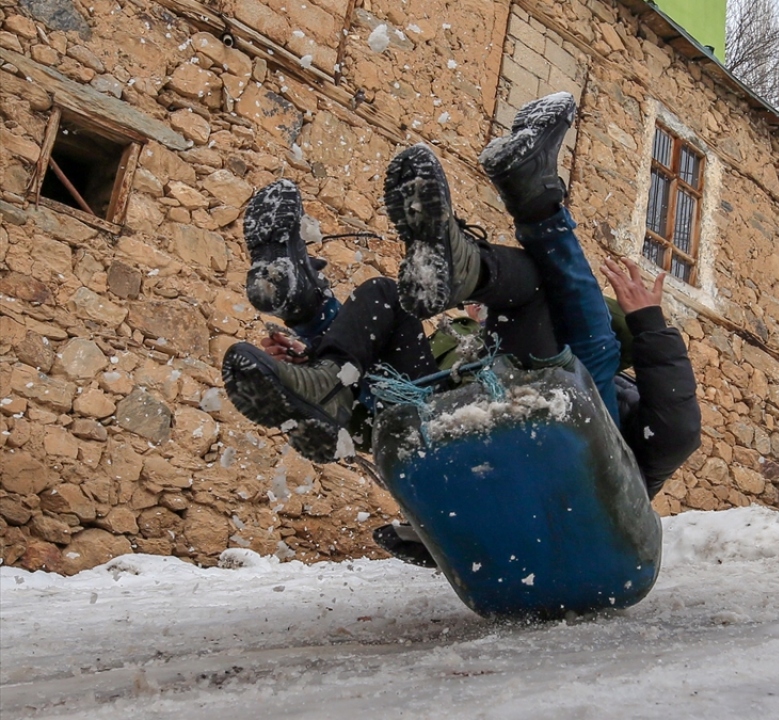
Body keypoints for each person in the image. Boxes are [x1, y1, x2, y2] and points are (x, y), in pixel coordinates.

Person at [222, 92, 701, 504]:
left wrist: (649, 320)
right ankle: (319, 349)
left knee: (559, 316)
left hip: (573, 455)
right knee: (385, 299)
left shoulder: (615, 405)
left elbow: (677, 429)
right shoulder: (461, 345)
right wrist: (318, 352)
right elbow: (388, 396)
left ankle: (496, 238)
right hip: (450, 430)